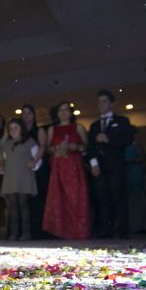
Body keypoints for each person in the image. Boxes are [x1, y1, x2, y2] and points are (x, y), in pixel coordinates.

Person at [87, 90, 134, 239]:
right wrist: (94, 164)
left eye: (104, 101)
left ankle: (122, 229)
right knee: (102, 197)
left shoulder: (122, 121)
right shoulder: (94, 125)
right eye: (99, 101)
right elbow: (90, 148)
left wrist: (108, 139)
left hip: (116, 165)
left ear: (112, 103)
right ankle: (106, 230)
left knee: (118, 196)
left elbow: (127, 140)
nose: (101, 104)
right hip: (100, 166)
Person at [43, 101, 90, 239]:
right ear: (57, 113)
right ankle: (60, 231)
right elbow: (48, 149)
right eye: (61, 110)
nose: (64, 113)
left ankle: (78, 230)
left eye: (66, 110)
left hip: (74, 165)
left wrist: (77, 147)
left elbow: (86, 146)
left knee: (75, 197)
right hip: (58, 166)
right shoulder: (52, 129)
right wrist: (56, 149)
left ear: (70, 112)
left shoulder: (78, 127)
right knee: (59, 197)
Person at [0, 118, 37, 240]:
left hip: (24, 176)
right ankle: (14, 233)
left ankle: (26, 233)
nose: (13, 130)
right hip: (10, 176)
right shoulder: (6, 144)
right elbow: (3, 160)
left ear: (21, 129)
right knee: (12, 206)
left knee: (23, 204)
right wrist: (0, 167)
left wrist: (33, 164)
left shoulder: (30, 142)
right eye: (10, 129)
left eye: (16, 128)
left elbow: (36, 159)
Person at [21, 104, 49, 239]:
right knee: (26, 201)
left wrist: (34, 160)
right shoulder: (19, 133)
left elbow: (43, 147)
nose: (26, 116)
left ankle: (39, 231)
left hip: (37, 168)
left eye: (29, 113)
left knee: (38, 199)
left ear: (33, 115)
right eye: (24, 113)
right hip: (24, 170)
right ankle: (29, 231)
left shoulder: (39, 130)